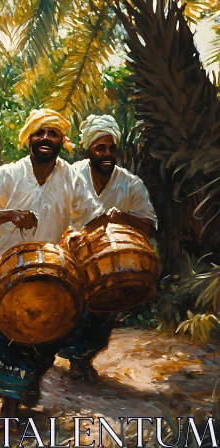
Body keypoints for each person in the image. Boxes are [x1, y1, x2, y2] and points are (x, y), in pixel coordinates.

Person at [0, 109, 108, 418]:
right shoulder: (5, 175)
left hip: (51, 273)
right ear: (29, 139)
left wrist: (88, 232)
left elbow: (90, 218)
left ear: (63, 141)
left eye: (53, 134)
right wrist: (9, 214)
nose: (46, 138)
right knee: (3, 336)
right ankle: (12, 401)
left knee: (44, 339)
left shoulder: (72, 177)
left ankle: (16, 398)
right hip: (6, 269)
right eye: (40, 133)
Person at [58, 114, 157, 382]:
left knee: (105, 309)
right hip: (71, 254)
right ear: (89, 149)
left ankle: (82, 358)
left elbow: (149, 225)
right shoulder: (70, 176)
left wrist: (123, 217)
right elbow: (54, 215)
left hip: (112, 263)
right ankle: (70, 356)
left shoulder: (130, 183)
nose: (107, 153)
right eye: (100, 148)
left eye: (112, 148)